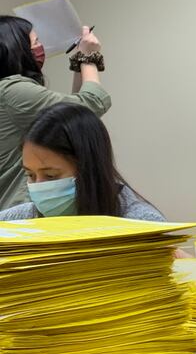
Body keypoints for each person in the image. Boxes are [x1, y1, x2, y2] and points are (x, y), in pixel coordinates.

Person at [0, 16, 111, 210]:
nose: (40, 47)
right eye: (36, 42)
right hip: (14, 213)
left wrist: (80, 61)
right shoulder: (12, 92)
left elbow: (69, 117)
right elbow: (91, 105)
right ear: (17, 49)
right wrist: (89, 57)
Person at [0, 103, 163, 222]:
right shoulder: (19, 222)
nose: (38, 187)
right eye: (30, 175)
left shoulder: (141, 224)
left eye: (50, 176)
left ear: (89, 170)